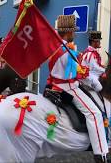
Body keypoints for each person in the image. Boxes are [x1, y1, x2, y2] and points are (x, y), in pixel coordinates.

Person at [47, 15, 108, 162]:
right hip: (67, 86)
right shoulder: (66, 52)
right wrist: (96, 84)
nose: (74, 34)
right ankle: (101, 154)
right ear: (68, 32)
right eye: (73, 31)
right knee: (94, 114)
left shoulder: (56, 46)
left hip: (55, 83)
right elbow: (80, 74)